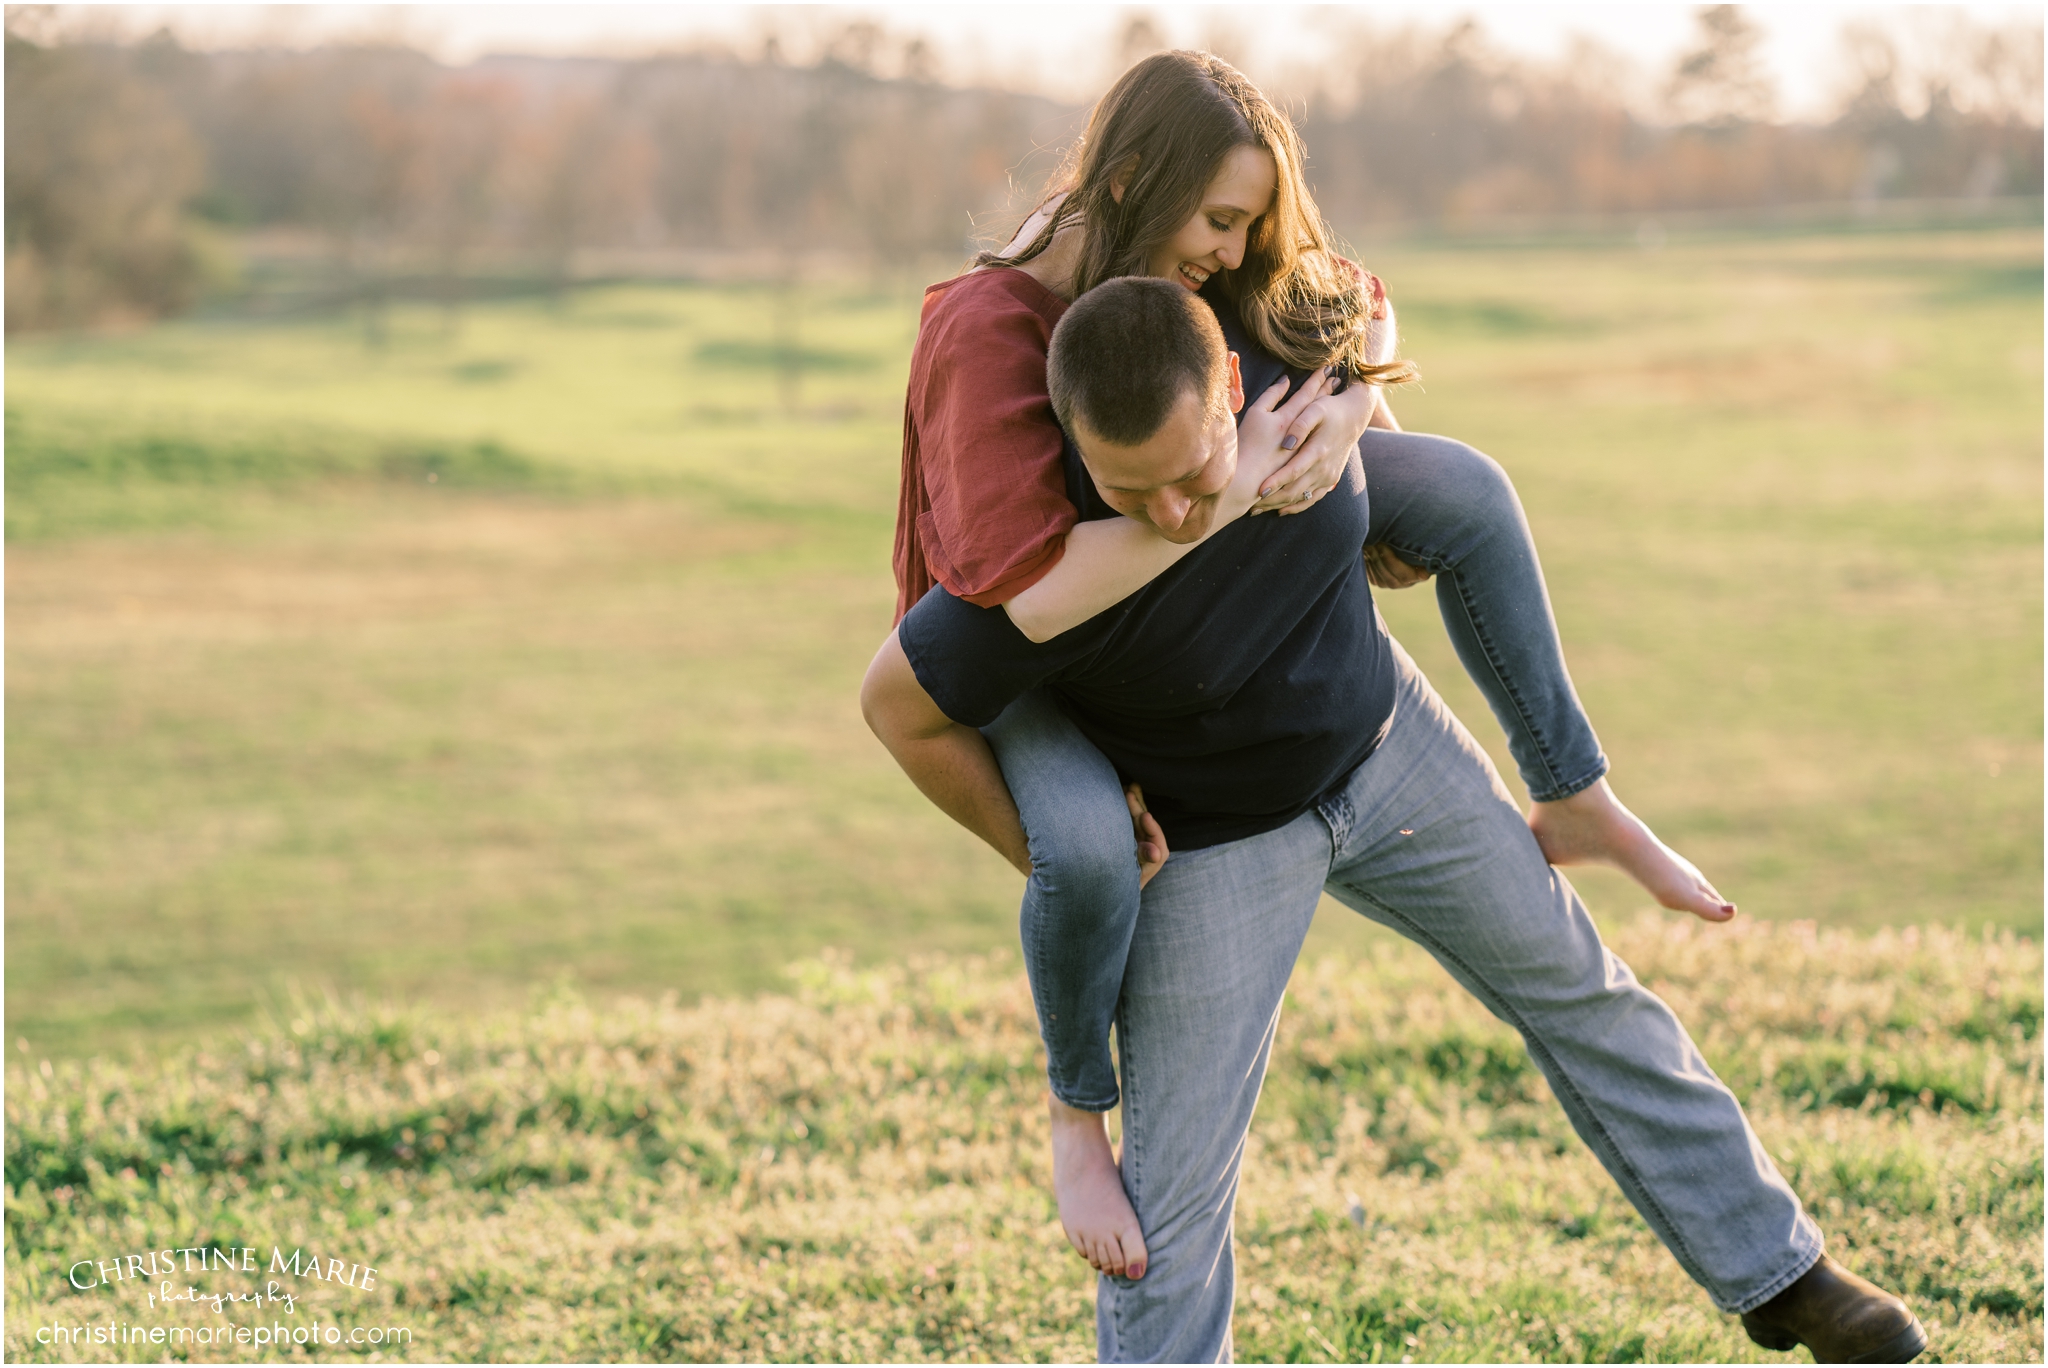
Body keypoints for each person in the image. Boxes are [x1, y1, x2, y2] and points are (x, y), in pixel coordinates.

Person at [865, 273, 1928, 1364]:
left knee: (1583, 991)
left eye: (1191, 476)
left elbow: (1365, 307)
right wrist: (1039, 841)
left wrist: (1362, 391)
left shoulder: (1292, 403)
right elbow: (893, 705)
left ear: (1232, 387)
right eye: (1131, 492)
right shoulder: (1042, 563)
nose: (1173, 516)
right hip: (1208, 845)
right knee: (1171, 1214)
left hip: (1384, 752)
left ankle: (1783, 1275)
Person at [885, 48, 1734, 1289]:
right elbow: (1023, 594)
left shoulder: (1185, 277)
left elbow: (1349, 293)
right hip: (1028, 665)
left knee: (1464, 490)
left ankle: (1576, 788)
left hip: (1228, 587)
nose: (1233, 253)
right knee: (1085, 854)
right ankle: (1077, 1116)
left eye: (1246, 222)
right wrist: (1227, 497)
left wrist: (1343, 411)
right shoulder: (994, 327)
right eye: (1218, 220)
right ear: (1130, 182)